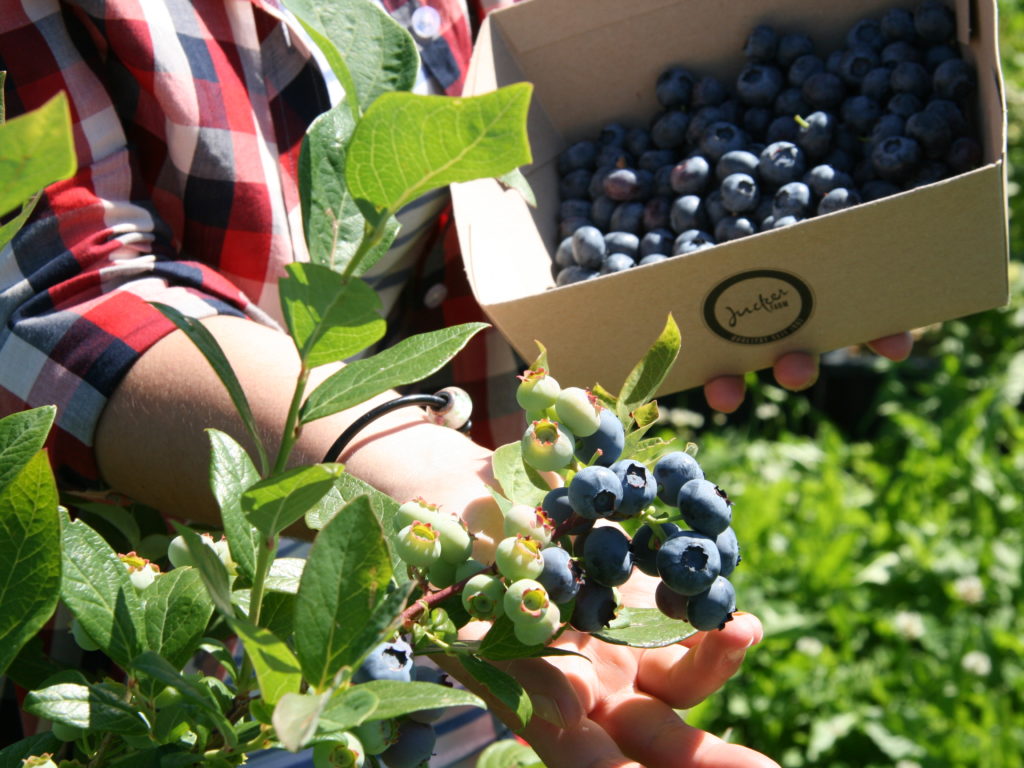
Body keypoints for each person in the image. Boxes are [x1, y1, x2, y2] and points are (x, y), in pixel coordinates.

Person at [0, 1, 910, 765]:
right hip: (176, 674)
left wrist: (745, 270)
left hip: (474, 655)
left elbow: (573, 178)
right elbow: (54, 289)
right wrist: (428, 477)